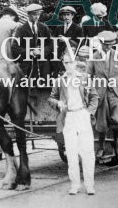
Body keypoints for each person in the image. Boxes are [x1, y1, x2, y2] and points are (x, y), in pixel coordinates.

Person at [48, 47, 99, 195]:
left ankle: (90, 185)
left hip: (82, 115)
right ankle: (75, 185)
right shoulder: (60, 81)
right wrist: (58, 104)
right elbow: (51, 98)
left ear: (75, 63)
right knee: (71, 152)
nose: (68, 65)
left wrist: (89, 112)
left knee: (87, 152)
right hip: (68, 117)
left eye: (70, 62)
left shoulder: (84, 78)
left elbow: (94, 97)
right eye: (65, 62)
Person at [87, 31, 118, 160]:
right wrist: (90, 92)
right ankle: (101, 147)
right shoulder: (94, 57)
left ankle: (117, 143)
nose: (108, 47)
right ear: (101, 43)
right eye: (106, 44)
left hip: (116, 94)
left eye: (111, 45)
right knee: (101, 125)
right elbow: (87, 77)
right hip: (100, 95)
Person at [12, 3, 54, 80]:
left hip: (43, 63)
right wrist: (30, 52)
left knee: (43, 85)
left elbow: (51, 44)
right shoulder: (21, 29)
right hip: (27, 63)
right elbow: (15, 47)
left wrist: (42, 51)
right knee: (26, 85)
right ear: (28, 15)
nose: (37, 17)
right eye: (35, 14)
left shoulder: (43, 27)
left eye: (39, 14)